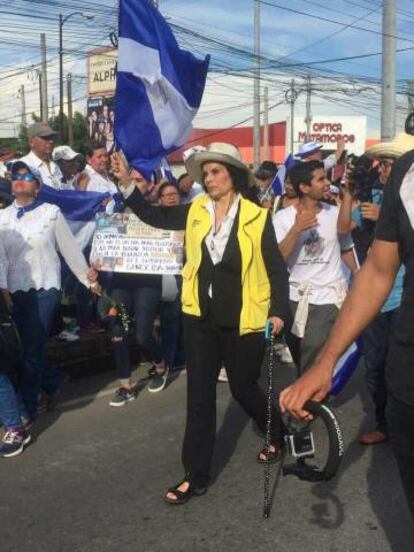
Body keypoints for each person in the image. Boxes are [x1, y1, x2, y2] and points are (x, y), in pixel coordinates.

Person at [112, 142, 290, 505]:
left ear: (234, 176)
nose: (208, 179)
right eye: (205, 173)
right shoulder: (195, 211)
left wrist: (278, 312)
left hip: (244, 319)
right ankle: (196, 474)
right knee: (199, 397)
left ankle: (277, 432)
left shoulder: (257, 217)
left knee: (243, 388)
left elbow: (275, 270)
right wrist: (126, 184)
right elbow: (154, 217)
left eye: (215, 172)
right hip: (199, 318)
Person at [279, 147, 414, 520]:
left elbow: (345, 237)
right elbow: (376, 272)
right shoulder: (407, 173)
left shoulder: (339, 208)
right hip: (408, 384)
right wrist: (327, 363)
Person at [0, 161, 99, 423]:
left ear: (37, 186)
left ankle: (26, 409)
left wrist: (88, 279)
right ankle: (54, 380)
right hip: (13, 291)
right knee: (20, 351)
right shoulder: (2, 218)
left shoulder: (51, 212)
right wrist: (3, 288)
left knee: (32, 349)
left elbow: (70, 250)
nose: (19, 180)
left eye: (26, 176)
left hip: (45, 289)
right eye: (15, 176)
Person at [337, 133, 414, 445]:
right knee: (374, 368)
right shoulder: (371, 197)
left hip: (400, 302)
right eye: (382, 164)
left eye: (389, 164)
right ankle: (385, 424)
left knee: (400, 370)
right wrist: (347, 193)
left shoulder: (399, 202)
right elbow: (343, 228)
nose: (383, 169)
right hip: (373, 301)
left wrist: (387, 218)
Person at [273, 160, 356, 373]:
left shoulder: (334, 213)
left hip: (327, 297)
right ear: (304, 187)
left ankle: (306, 401)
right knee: (301, 355)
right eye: (321, 179)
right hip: (295, 298)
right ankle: (308, 395)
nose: (327, 183)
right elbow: (278, 260)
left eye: (326, 177)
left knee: (313, 355)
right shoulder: (282, 219)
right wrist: (296, 229)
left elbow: (346, 247)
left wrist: (358, 273)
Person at [19, 122, 65, 190]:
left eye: (51, 137)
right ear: (31, 142)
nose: (51, 141)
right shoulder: (23, 165)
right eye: (45, 138)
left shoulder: (55, 165)